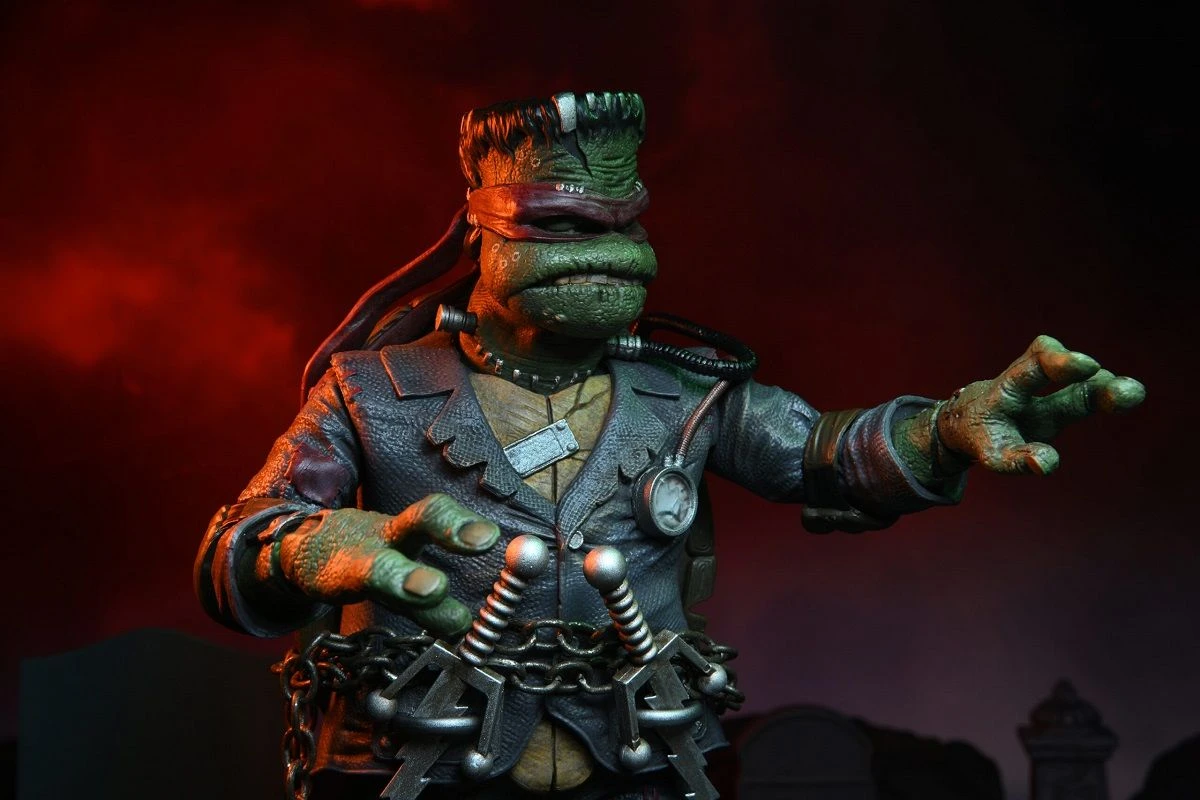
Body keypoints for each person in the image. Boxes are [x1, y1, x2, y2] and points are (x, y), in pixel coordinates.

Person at [194, 91, 1144, 800]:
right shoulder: (370, 390)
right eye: (560, 225)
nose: (606, 254)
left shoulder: (685, 393)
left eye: (624, 226)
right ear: (479, 236)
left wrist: (945, 429)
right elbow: (238, 545)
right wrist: (312, 551)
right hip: (423, 765)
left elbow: (827, 453)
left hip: (641, 761)